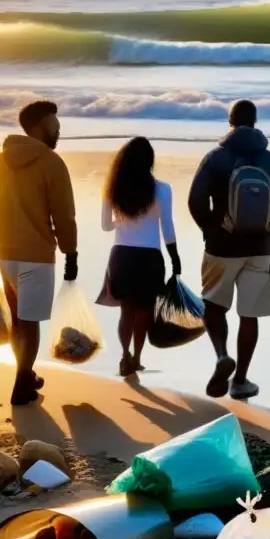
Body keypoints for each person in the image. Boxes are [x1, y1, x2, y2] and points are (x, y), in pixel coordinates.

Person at [188, 99, 270, 400]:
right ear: (256, 121)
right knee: (249, 314)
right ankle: (241, 380)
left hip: (221, 246)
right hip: (260, 248)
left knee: (213, 304)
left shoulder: (214, 158)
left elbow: (195, 202)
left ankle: (223, 355)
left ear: (231, 122)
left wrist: (210, 230)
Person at [0, 100, 77, 406]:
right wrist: (71, 253)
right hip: (36, 255)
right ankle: (21, 384)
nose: (58, 128)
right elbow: (64, 215)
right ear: (39, 125)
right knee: (29, 323)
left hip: (3, 254)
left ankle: (25, 373)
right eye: (54, 123)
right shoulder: (52, 163)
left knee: (19, 321)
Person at [97, 137, 181, 377]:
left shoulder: (112, 189)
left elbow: (105, 226)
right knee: (144, 311)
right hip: (150, 258)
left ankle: (124, 356)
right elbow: (167, 227)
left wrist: (121, 220)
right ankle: (137, 357)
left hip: (122, 256)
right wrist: (175, 258)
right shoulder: (163, 189)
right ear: (149, 161)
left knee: (126, 312)